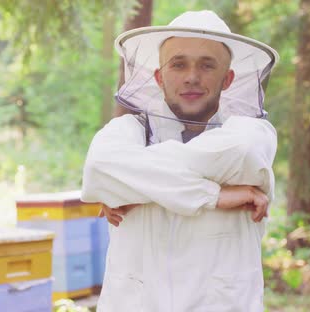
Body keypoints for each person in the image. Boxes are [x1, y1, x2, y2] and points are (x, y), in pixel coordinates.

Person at [81, 10, 279, 311]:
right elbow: (99, 169)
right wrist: (214, 194)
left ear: (227, 79)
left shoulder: (252, 134)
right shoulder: (127, 131)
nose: (191, 77)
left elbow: (242, 153)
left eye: (207, 65)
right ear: (159, 77)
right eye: (178, 64)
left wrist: (135, 181)